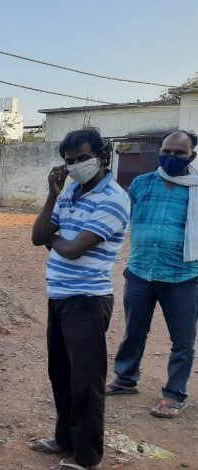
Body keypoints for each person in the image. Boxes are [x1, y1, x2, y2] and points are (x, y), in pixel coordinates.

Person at [30, 128, 130, 470]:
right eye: (70, 161)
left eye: (83, 158)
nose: (76, 165)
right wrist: (52, 195)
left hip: (87, 300)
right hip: (59, 296)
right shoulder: (70, 192)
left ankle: (87, 457)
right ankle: (64, 440)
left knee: (85, 382)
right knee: (61, 373)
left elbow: (73, 249)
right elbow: (38, 236)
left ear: (102, 156)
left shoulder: (113, 199)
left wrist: (54, 240)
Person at [107, 130, 198, 418]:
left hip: (184, 276)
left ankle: (174, 394)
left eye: (179, 153)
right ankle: (125, 379)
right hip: (140, 271)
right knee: (134, 332)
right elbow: (127, 218)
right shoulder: (141, 183)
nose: (170, 157)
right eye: (166, 152)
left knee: (182, 340)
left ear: (192, 156)